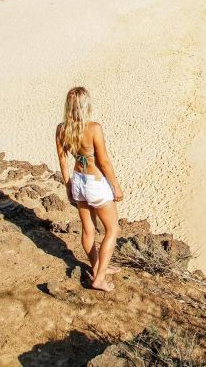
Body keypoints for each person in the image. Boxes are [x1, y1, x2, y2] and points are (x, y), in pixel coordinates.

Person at [55, 86, 124, 292]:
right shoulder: (94, 128)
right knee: (112, 229)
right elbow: (104, 162)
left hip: (78, 181)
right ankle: (99, 278)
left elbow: (62, 161)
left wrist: (68, 185)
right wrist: (116, 187)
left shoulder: (61, 128)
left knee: (88, 230)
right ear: (86, 105)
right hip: (95, 183)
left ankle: (97, 267)